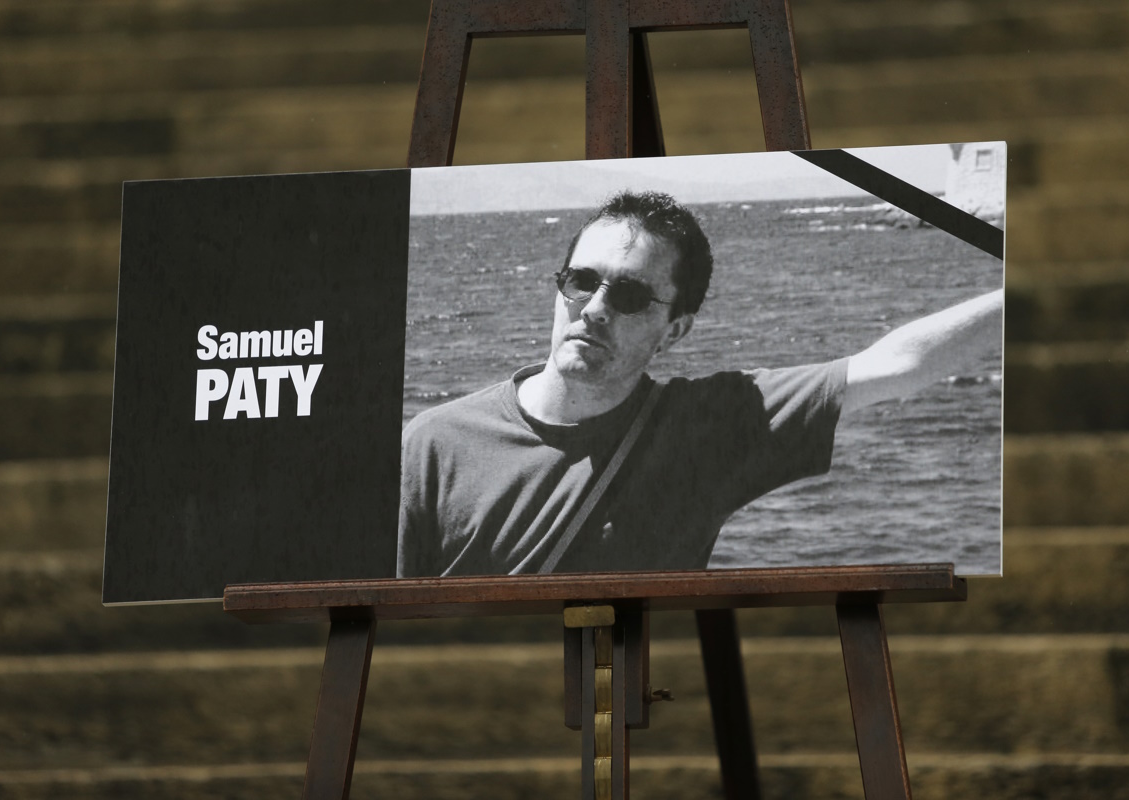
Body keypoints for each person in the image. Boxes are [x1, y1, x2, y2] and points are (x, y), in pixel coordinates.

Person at [397, 190, 1002, 578]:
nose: (595, 309)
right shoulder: (433, 445)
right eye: (580, 280)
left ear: (674, 330)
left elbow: (897, 365)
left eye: (631, 295)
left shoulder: (706, 428)